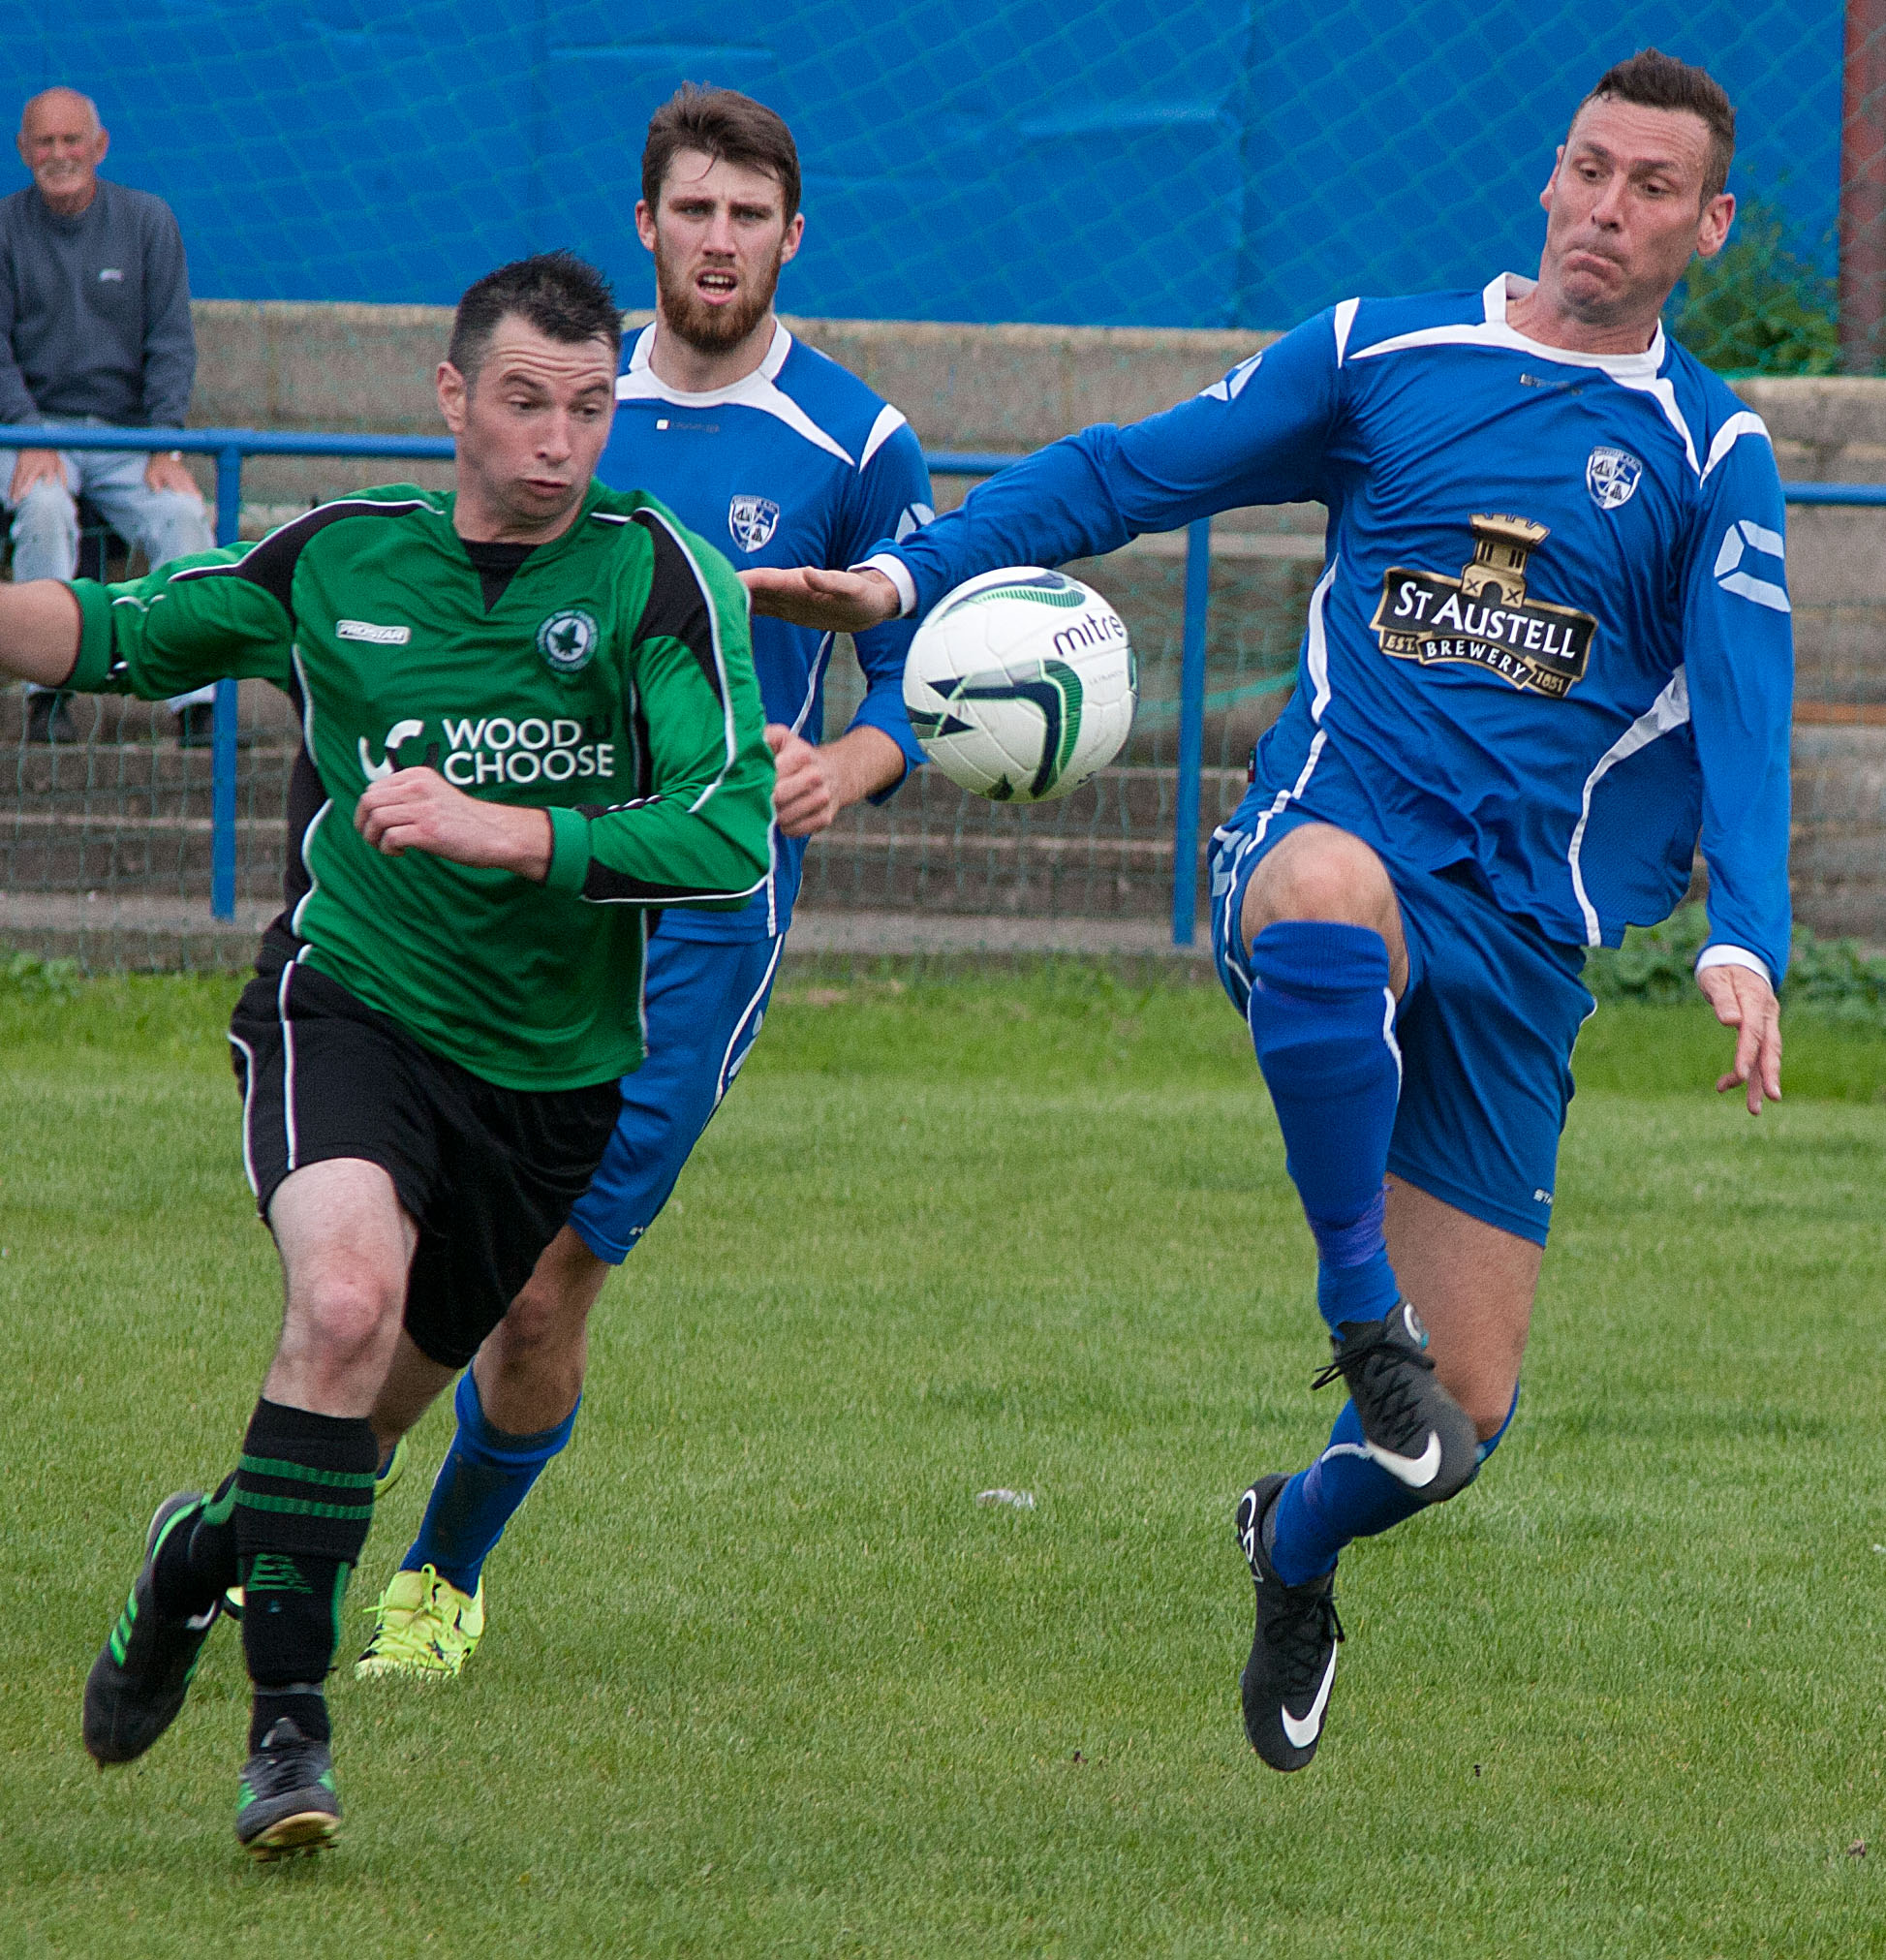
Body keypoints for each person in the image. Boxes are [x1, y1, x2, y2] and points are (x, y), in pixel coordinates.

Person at [743, 49, 1791, 1771]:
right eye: (1590, 170)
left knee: (1455, 1428)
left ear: (1708, 224)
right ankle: (1352, 1310)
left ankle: (1289, 1539)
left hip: (1518, 935)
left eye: (1652, 188)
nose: (1610, 208)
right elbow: (1119, 472)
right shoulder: (1383, 349)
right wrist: (904, 574)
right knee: (1322, 891)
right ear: (1548, 176)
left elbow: (1748, 710)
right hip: (1331, 841)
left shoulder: (1708, 451)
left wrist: (1743, 932)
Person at [0, 249, 773, 1858]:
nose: (560, 440)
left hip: (549, 1081)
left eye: (589, 406)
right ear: (450, 398)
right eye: (524, 401)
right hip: (347, 1005)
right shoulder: (340, 558)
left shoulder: (657, 579)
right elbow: (114, 629)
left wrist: (508, 832)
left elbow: (724, 829)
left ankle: (195, 1556)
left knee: (343, 1434)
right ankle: (289, 1733)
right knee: (339, 1303)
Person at [352, 86, 931, 1681]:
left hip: (691, 928)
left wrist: (851, 765)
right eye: (694, 210)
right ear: (646, 224)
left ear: (791, 236)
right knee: (385, 1239)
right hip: (497, 888)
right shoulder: (570, 394)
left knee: (538, 1287)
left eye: (749, 215)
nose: (720, 239)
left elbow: (922, 673)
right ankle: (301, 1475)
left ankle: (434, 1574)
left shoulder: (856, 442)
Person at [1, 85, 218, 744]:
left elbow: (172, 342)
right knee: (40, 509)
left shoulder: (149, 220)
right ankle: (48, 695)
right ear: (23, 149)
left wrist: (164, 444)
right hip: (32, 430)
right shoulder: (5, 227)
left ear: (100, 147)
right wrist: (31, 432)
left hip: (132, 437)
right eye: (45, 141)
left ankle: (199, 704)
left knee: (182, 517)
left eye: (73, 140)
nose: (59, 153)